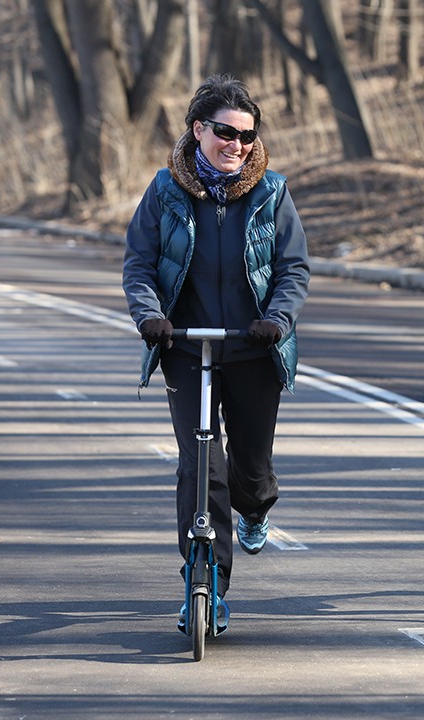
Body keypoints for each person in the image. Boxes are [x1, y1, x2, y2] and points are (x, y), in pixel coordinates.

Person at [123, 73, 310, 630]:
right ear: (197, 129)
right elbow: (139, 264)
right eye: (226, 132)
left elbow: (293, 269)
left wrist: (275, 320)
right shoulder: (164, 190)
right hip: (185, 348)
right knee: (200, 467)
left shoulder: (271, 192)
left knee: (249, 471)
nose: (237, 144)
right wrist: (151, 317)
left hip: (254, 349)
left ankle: (257, 507)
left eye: (248, 136)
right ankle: (205, 582)